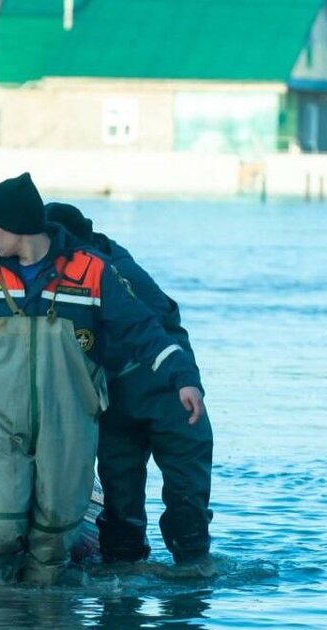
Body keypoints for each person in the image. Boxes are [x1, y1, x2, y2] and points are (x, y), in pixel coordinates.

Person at [0, 174, 205, 585]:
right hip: (3, 420)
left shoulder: (97, 273)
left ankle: (63, 595)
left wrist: (183, 380)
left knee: (59, 527)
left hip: (84, 419)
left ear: (19, 225)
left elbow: (146, 330)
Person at [45, 202, 215, 574]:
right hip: (115, 401)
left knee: (186, 497)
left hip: (169, 396)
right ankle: (126, 567)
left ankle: (190, 568)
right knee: (121, 503)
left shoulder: (114, 272)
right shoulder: (58, 273)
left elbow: (162, 323)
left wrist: (186, 381)